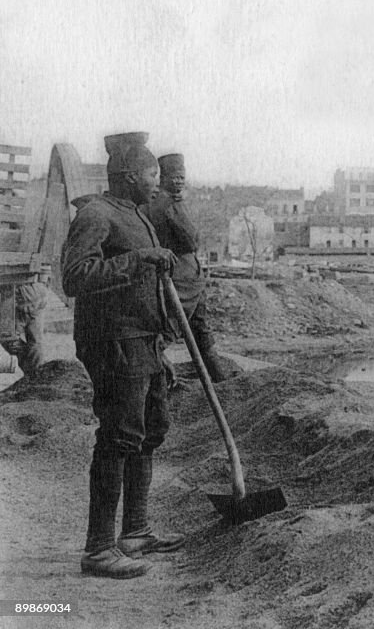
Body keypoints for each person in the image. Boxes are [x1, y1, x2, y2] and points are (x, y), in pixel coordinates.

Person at [61, 132, 183, 579]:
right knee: (119, 437)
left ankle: (134, 531)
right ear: (130, 177)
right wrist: (139, 260)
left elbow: (147, 290)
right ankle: (97, 549)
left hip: (143, 344)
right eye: (153, 173)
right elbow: (74, 277)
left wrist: (161, 349)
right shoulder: (96, 214)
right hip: (113, 344)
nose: (159, 181)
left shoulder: (136, 215)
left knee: (149, 432)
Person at [142, 153, 231, 383]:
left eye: (182, 177)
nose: (180, 181)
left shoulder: (155, 201)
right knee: (171, 327)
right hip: (181, 275)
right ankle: (159, 375)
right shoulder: (169, 203)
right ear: (164, 177)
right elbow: (191, 240)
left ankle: (219, 379)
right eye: (175, 176)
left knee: (199, 326)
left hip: (178, 273)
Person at [0, 269, 50, 378]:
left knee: (7, 337)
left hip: (15, 292)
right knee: (36, 342)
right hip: (39, 290)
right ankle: (38, 377)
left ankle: (33, 376)